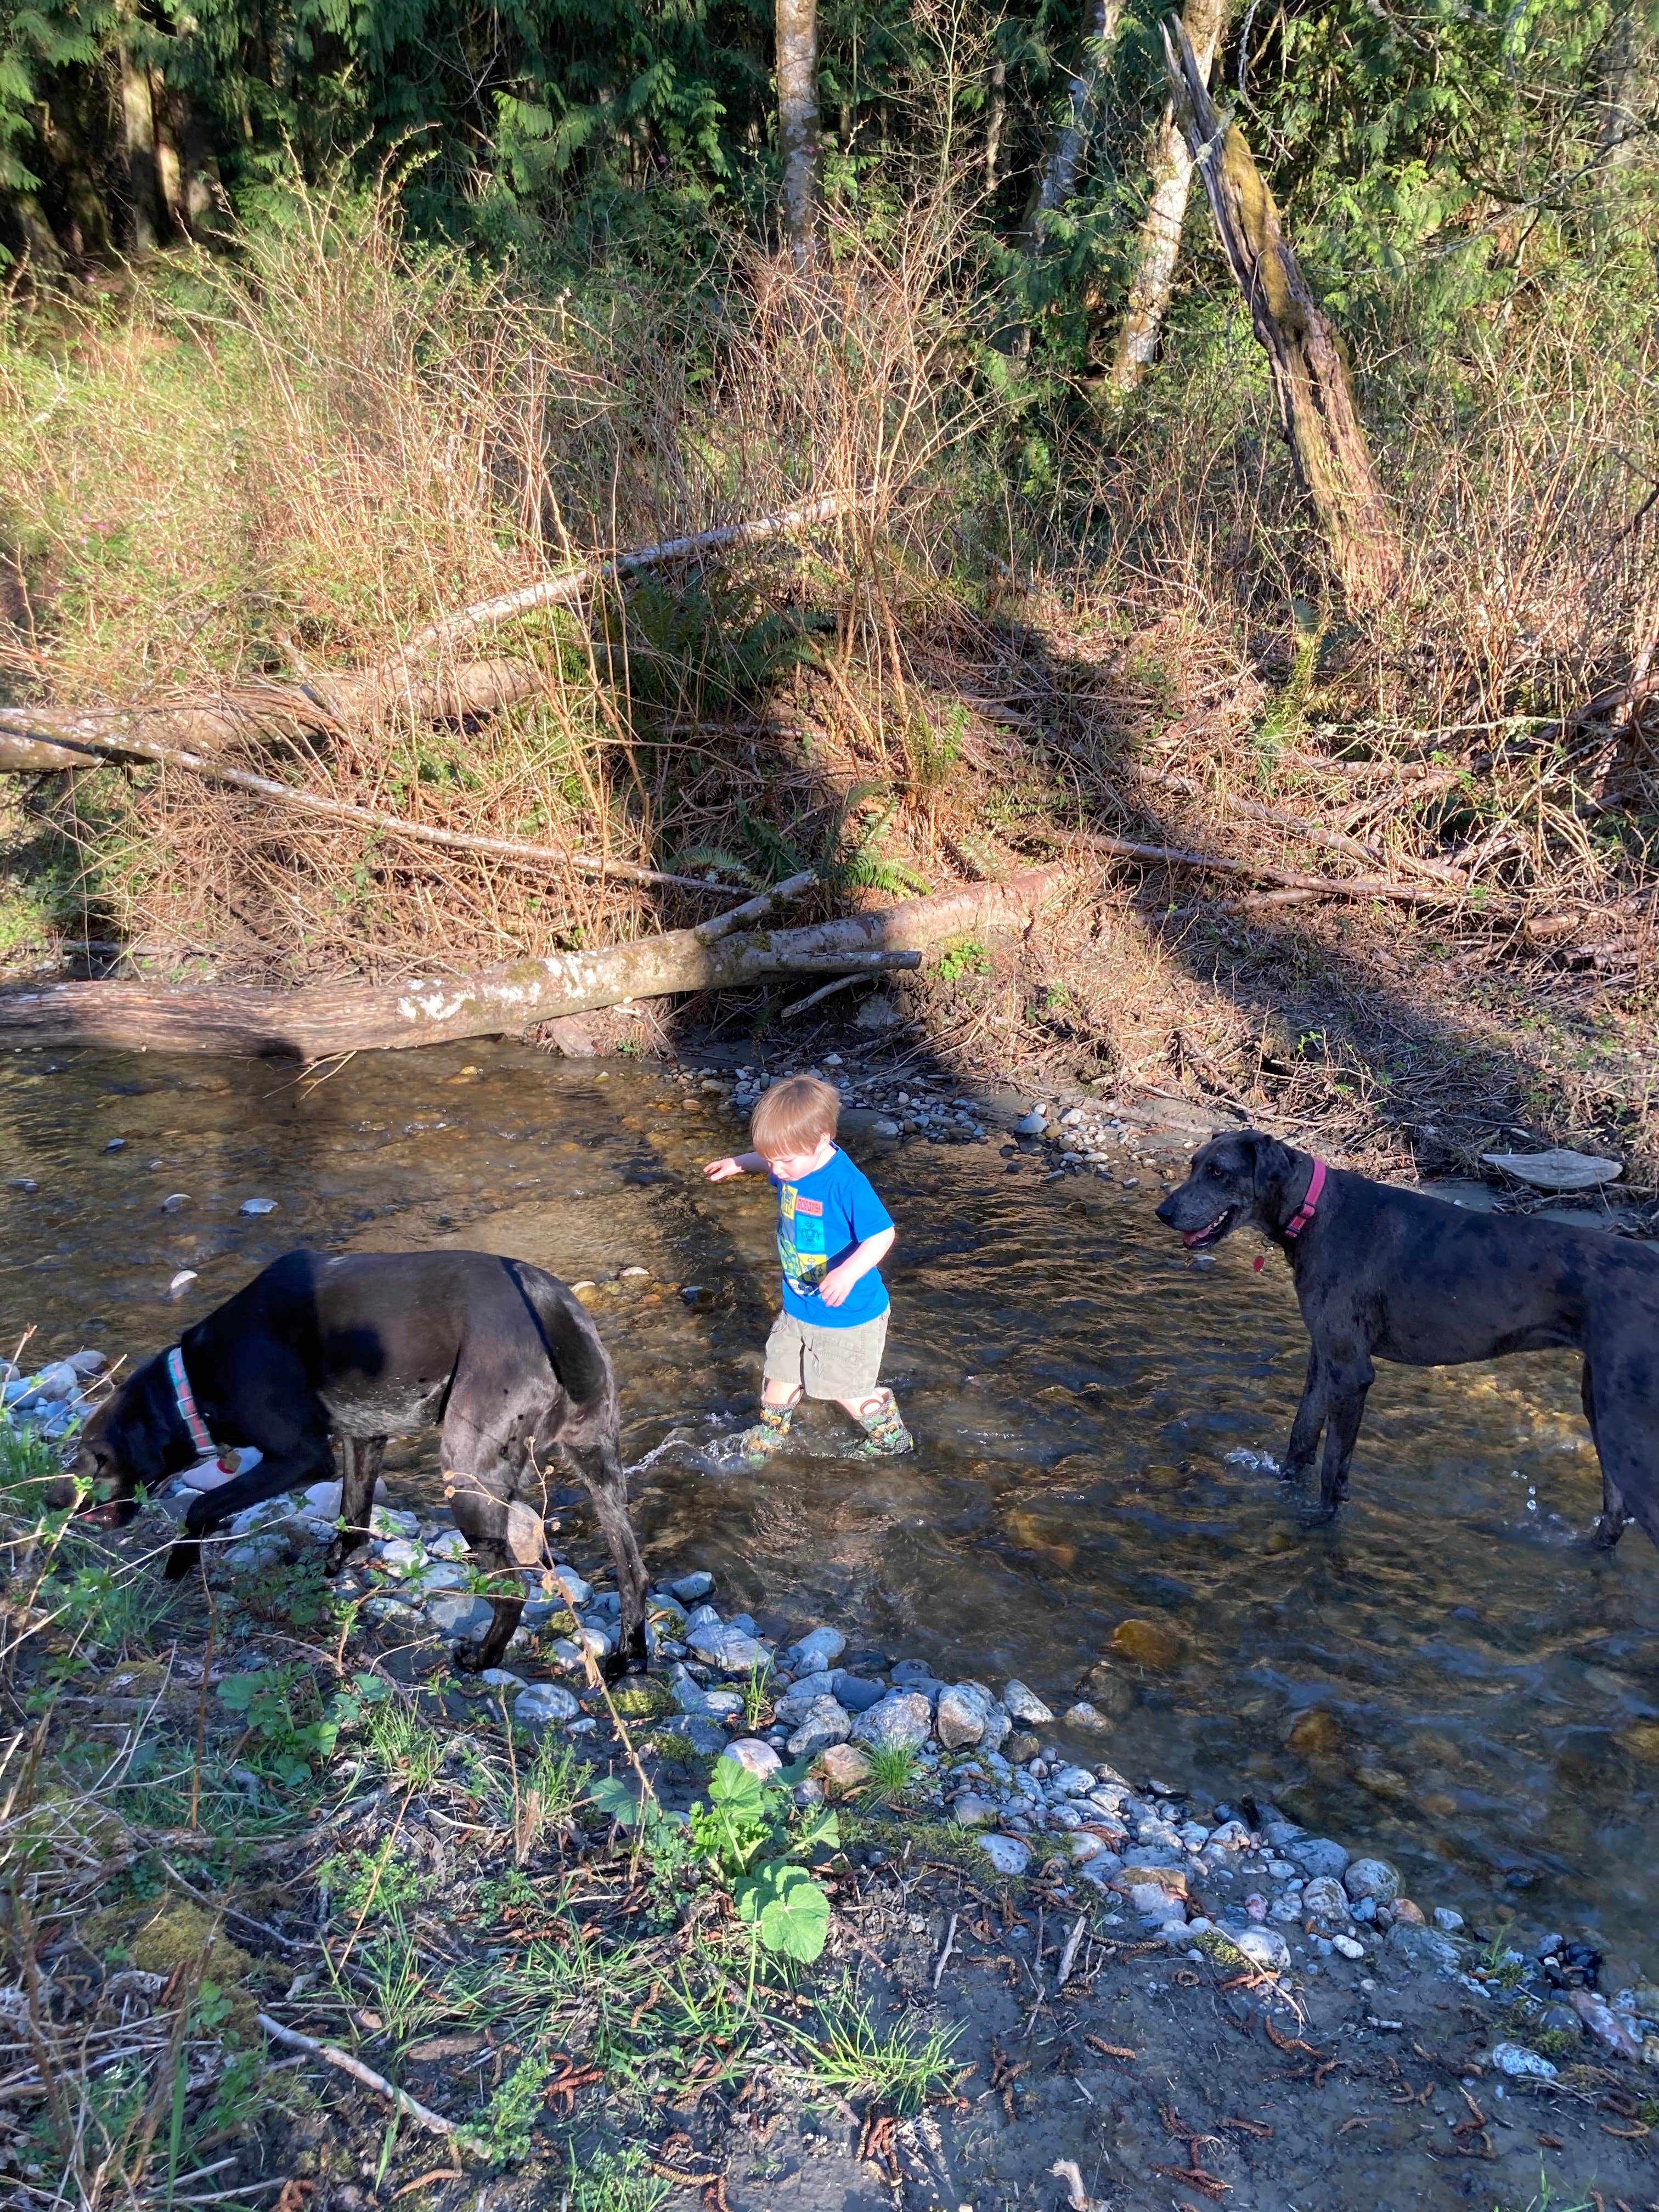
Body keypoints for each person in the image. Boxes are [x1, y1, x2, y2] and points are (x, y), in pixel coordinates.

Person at [704, 1073, 913, 1468]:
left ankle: (890, 1437)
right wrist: (738, 1163)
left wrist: (848, 1273)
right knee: (780, 1370)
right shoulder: (792, 1165)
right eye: (772, 1160)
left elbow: (882, 1235)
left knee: (844, 1388)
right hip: (799, 1303)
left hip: (847, 1313)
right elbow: (768, 1158)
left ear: (820, 1141)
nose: (777, 1171)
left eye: (785, 1161)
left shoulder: (846, 1184)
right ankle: (770, 1433)